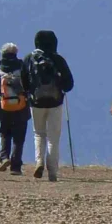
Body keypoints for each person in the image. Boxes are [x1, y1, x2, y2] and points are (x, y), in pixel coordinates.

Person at [21, 30, 74, 182]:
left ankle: (39, 162)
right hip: (55, 103)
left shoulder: (29, 58)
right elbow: (69, 83)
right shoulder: (58, 59)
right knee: (53, 137)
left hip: (36, 102)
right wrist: (62, 88)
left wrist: (29, 93)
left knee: (39, 133)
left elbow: (24, 81)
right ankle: (52, 171)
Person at [0, 43, 30, 175]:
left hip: (3, 109)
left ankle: (4, 158)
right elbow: (29, 87)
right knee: (19, 137)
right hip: (21, 108)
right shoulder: (22, 70)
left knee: (5, 133)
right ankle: (16, 167)